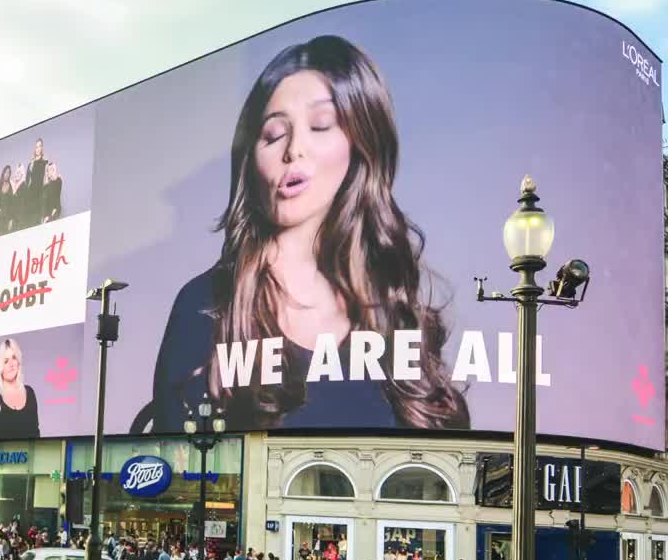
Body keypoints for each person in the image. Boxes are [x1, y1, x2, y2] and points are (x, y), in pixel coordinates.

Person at [148, 34, 470, 434]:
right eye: (273, 134)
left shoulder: (396, 312)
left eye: (321, 125)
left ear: (360, 144)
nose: (293, 149)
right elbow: (172, 469)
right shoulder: (206, 306)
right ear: (251, 158)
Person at [0, 339, 40, 441]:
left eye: (14, 358)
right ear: (0, 367)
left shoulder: (30, 393)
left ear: (18, 362)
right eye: (6, 361)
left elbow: (36, 434)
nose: (11, 364)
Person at [24, 139, 48, 229]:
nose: (37, 149)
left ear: (42, 148)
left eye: (39, 146)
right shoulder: (31, 163)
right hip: (30, 196)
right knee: (29, 223)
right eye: (36, 147)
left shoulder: (45, 162)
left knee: (38, 223)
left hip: (40, 195)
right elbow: (27, 182)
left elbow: (46, 180)